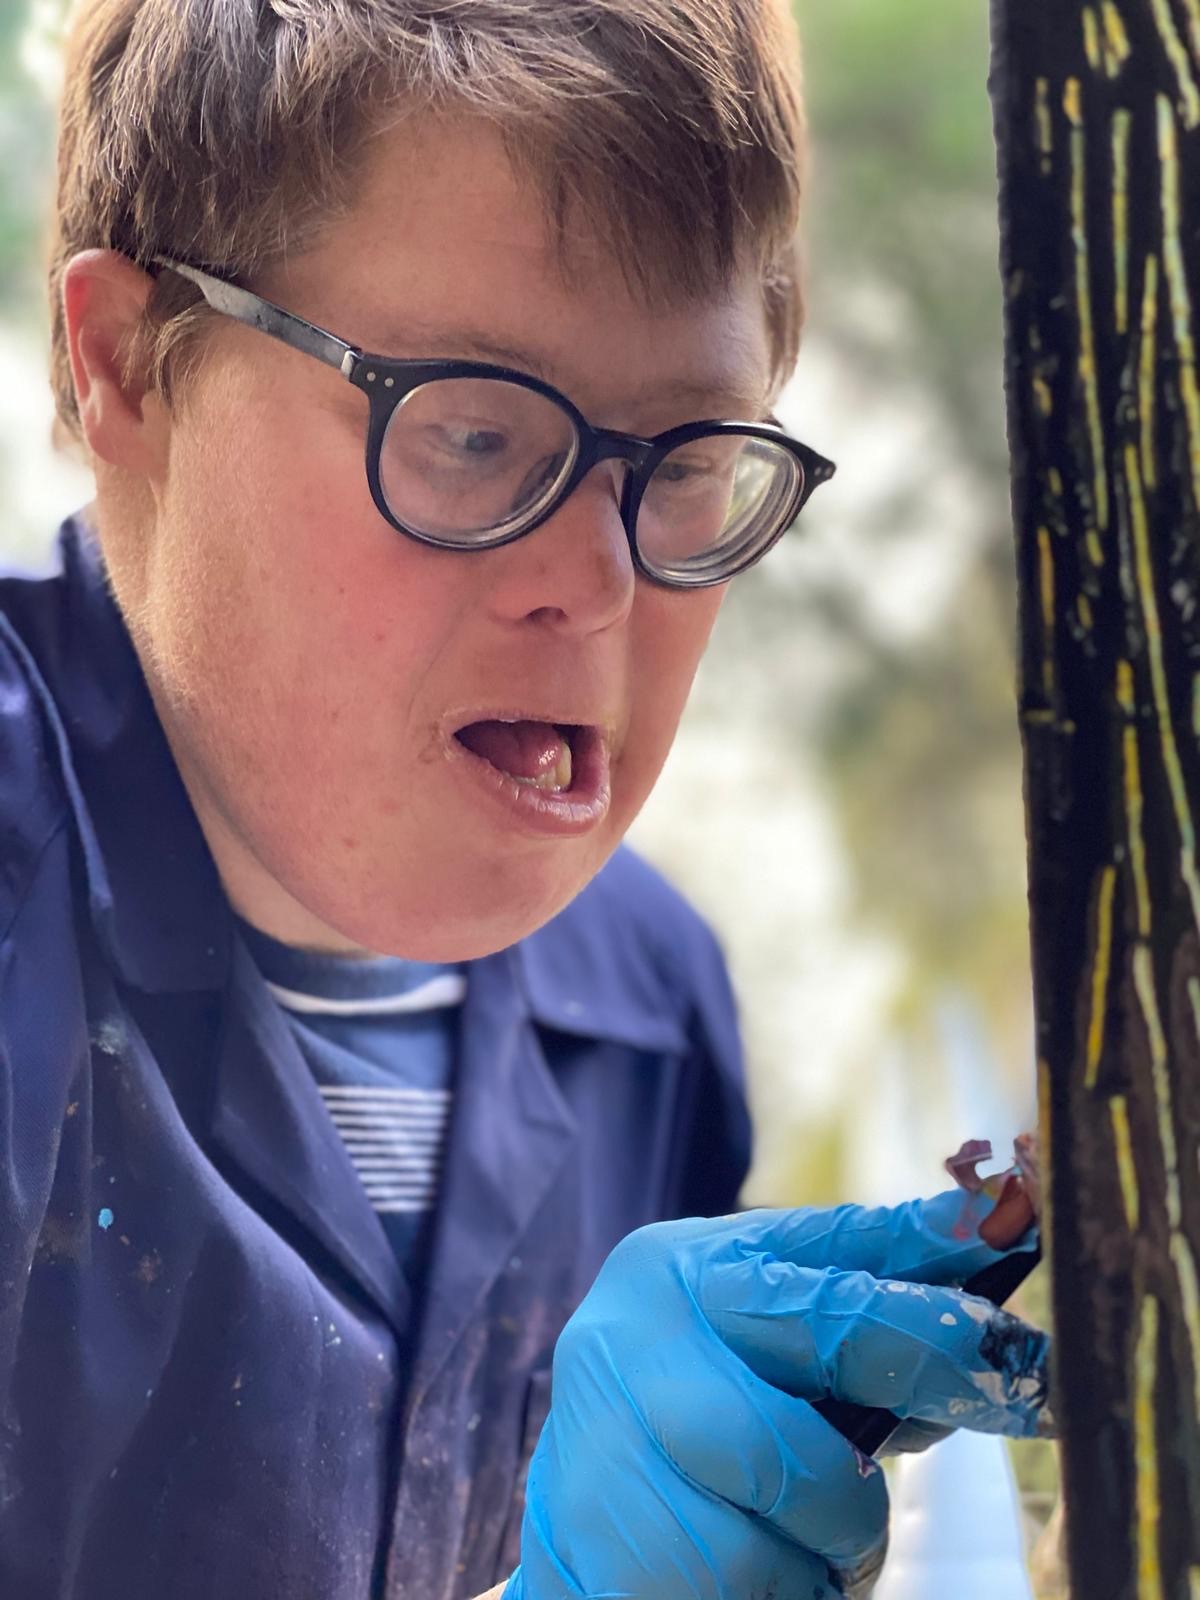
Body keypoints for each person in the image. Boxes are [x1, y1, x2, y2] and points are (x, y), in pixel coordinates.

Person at [0, 2, 1048, 1597]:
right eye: (476, 434)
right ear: (127, 360)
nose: (602, 582)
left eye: (689, 463)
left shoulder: (652, 1011)